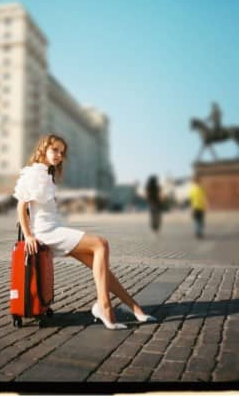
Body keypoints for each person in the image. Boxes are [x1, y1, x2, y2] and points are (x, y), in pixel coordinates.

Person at [15, 134, 155, 330]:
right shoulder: (35, 173)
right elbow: (21, 206)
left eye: (62, 153)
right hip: (46, 233)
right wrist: (29, 235)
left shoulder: (47, 174)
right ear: (43, 148)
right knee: (101, 243)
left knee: (101, 268)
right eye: (55, 150)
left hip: (55, 229)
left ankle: (135, 308)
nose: (58, 155)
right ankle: (104, 306)